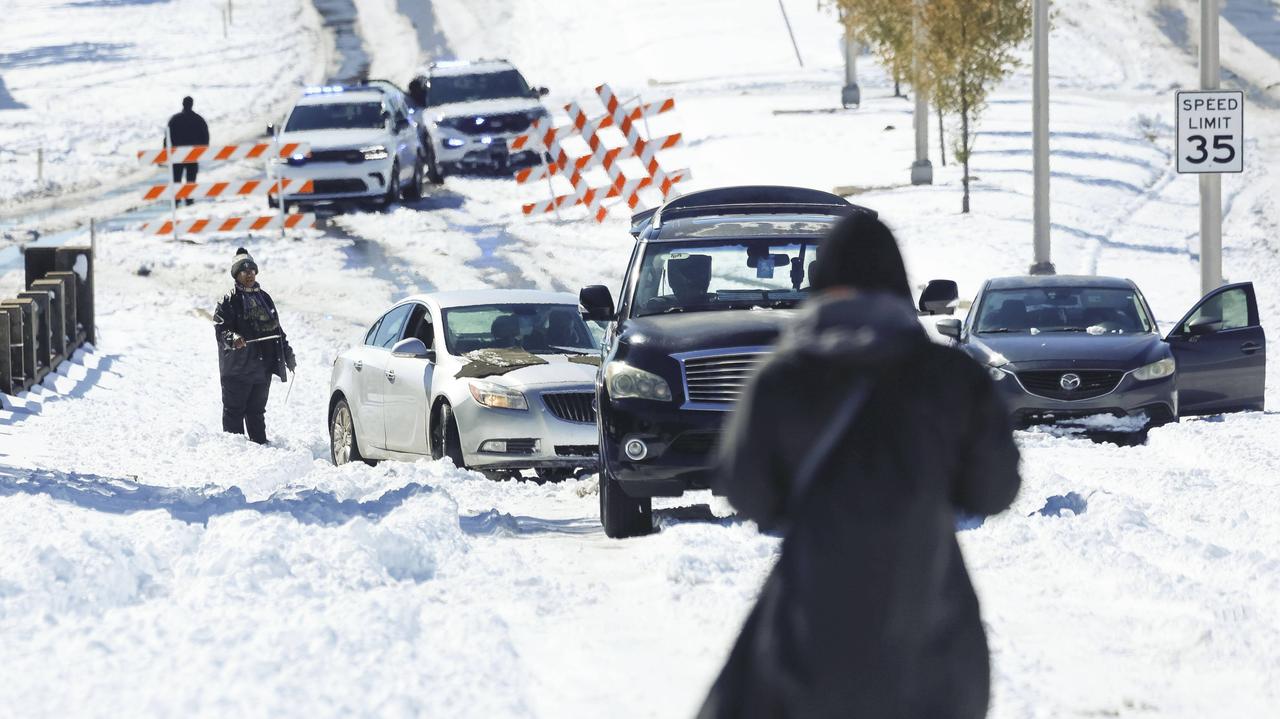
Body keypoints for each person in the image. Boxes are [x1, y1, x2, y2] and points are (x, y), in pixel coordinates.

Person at [698, 213, 1022, 719]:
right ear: (899, 285)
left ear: (823, 284)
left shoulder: (782, 377)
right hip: (932, 628)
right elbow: (995, 490)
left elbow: (747, 490)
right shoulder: (953, 377)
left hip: (809, 635)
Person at [213, 248, 296, 445]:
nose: (249, 274)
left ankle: (260, 446)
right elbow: (221, 329)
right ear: (236, 275)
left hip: (262, 368)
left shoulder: (264, 298)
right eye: (244, 271)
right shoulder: (228, 301)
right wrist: (233, 338)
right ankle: (234, 453)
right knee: (234, 412)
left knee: (256, 412)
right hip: (237, 370)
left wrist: (288, 354)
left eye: (252, 270)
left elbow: (277, 331)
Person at [167, 96, 210, 205]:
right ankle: (189, 199)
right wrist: (202, 150)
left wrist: (166, 153)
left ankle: (176, 200)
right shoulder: (198, 119)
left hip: (177, 154)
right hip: (193, 154)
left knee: (176, 178)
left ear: (183, 104)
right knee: (191, 178)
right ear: (192, 104)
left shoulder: (175, 119)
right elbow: (205, 136)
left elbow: (167, 137)